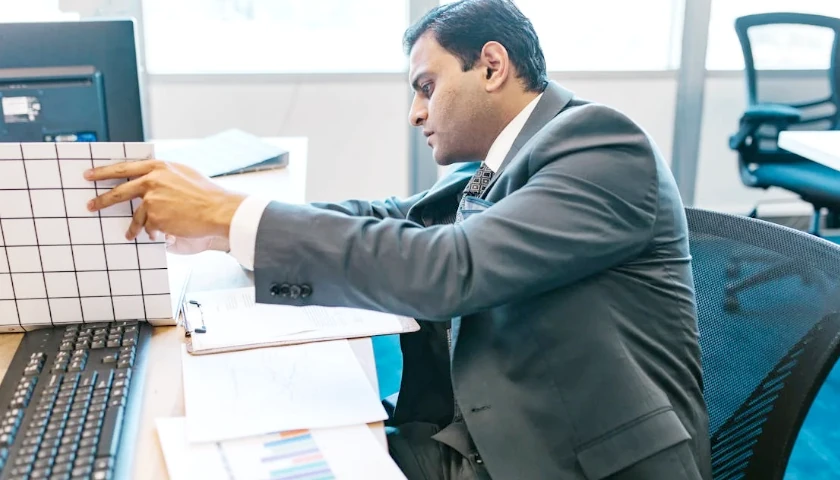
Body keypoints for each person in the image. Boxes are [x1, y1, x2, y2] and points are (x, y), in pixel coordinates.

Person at [85, 0, 711, 478]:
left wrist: (230, 215)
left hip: (562, 460)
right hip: (468, 437)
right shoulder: (496, 165)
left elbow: (451, 268)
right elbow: (390, 218)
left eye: (426, 86)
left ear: (492, 66)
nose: (415, 113)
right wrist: (222, 227)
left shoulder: (601, 144)